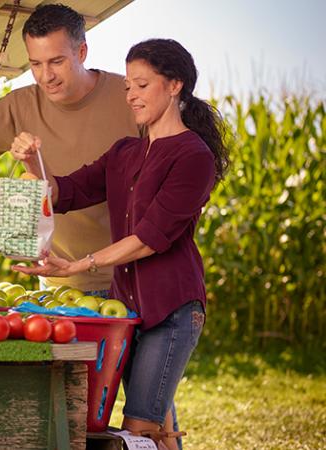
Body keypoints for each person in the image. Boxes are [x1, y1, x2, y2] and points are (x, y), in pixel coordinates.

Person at [11, 38, 230, 450]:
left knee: (137, 428)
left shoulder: (193, 156)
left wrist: (78, 265)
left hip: (172, 308)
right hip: (127, 311)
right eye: (128, 85)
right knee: (153, 426)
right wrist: (32, 161)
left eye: (142, 85)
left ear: (174, 85)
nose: (131, 95)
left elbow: (150, 239)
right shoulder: (126, 152)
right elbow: (64, 191)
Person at [0, 3, 139, 297]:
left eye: (56, 61)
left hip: (129, 283)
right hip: (55, 287)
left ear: (81, 52)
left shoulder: (130, 98)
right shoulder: (20, 105)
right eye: (35, 64)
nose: (45, 76)